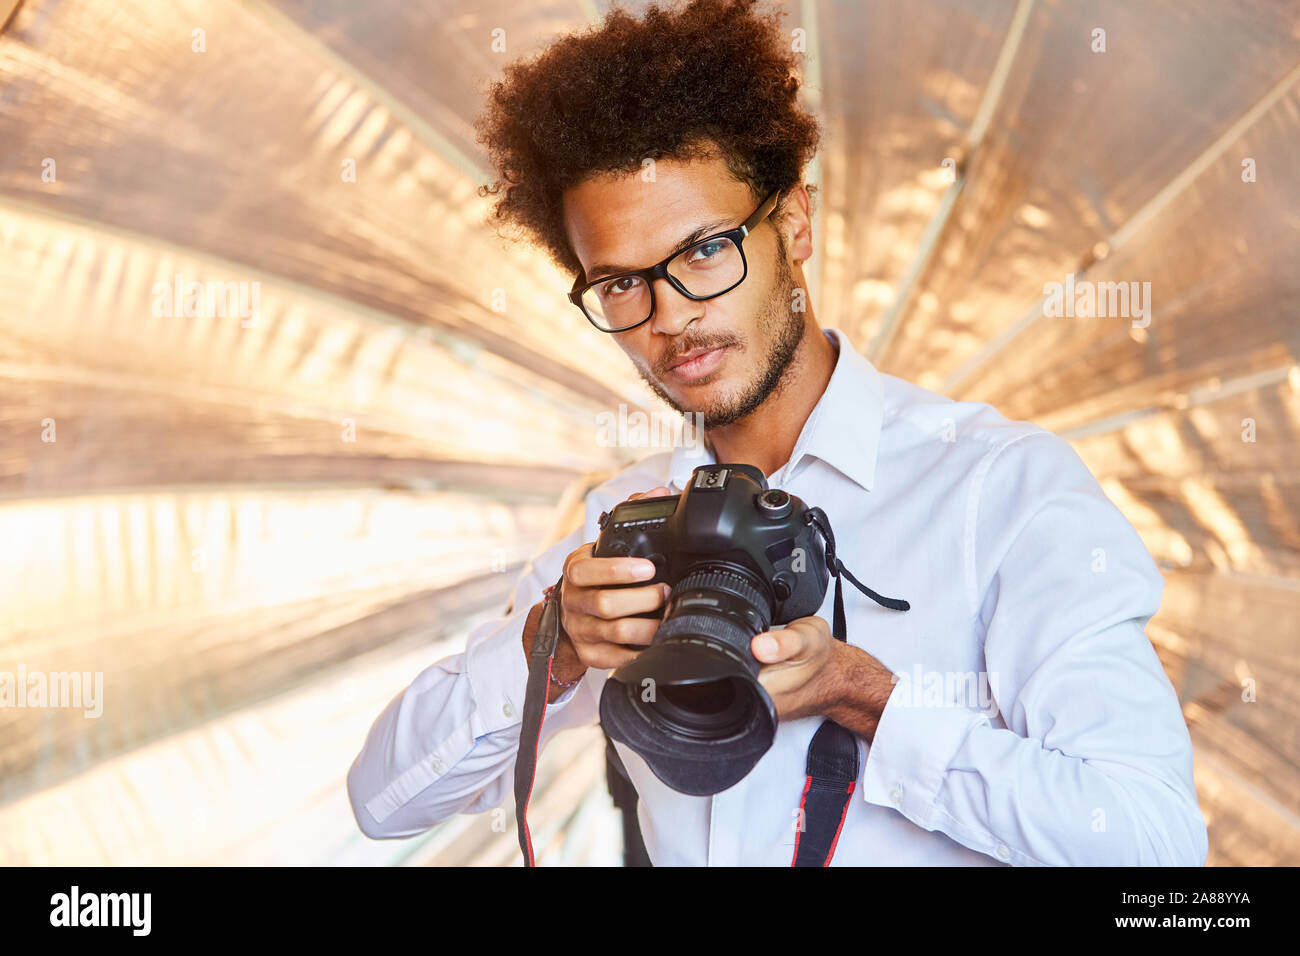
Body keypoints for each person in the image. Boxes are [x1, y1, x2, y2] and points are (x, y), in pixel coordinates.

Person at [346, 0, 1208, 866]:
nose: (670, 317)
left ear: (794, 223)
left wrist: (868, 699)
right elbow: (384, 800)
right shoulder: (624, 519)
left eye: (705, 250)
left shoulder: (1002, 488)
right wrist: (556, 645)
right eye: (617, 285)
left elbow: (1151, 843)